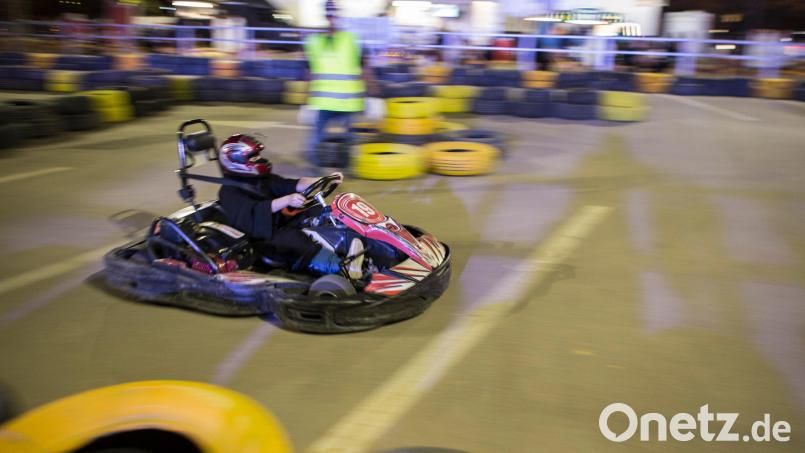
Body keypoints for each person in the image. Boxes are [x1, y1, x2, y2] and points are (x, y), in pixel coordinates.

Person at [216, 134, 365, 279]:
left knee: (321, 212)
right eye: (253, 157)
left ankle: (358, 242)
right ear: (235, 161)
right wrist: (286, 201)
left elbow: (289, 185)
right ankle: (341, 267)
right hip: (261, 236)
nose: (258, 159)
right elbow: (252, 213)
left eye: (257, 155)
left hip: (279, 222)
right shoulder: (229, 192)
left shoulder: (258, 178)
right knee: (295, 240)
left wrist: (323, 179)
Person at [303, 0, 376, 164]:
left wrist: (305, 99)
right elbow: (366, 70)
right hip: (345, 102)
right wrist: (372, 95)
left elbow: (308, 73)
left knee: (320, 136)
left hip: (328, 102)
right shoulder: (353, 40)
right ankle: (343, 164)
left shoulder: (314, 41)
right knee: (347, 137)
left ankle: (317, 166)